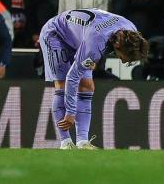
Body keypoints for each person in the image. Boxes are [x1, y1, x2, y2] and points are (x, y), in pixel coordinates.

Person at [39, 9, 148, 149]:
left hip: (79, 37)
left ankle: (82, 142)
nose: (124, 62)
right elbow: (72, 77)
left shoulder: (131, 30)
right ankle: (65, 142)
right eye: (127, 58)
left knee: (87, 86)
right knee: (62, 84)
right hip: (56, 35)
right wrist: (70, 112)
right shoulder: (95, 44)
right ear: (119, 46)